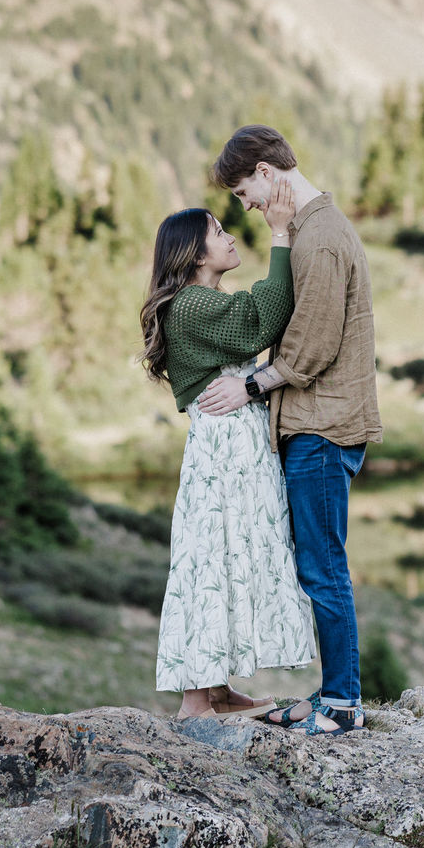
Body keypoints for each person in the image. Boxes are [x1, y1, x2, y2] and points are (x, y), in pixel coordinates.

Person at [195, 124, 382, 735]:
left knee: (324, 567)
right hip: (313, 424)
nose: (243, 205)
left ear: (268, 173)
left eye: (245, 189)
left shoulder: (320, 239)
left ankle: (343, 705)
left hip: (324, 428)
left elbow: (312, 346)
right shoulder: (306, 233)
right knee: (316, 565)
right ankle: (331, 695)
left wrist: (248, 385)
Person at [136, 185, 315, 720]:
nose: (229, 235)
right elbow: (264, 316)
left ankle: (214, 690)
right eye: (218, 231)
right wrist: (280, 233)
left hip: (230, 447)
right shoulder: (191, 306)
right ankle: (197, 701)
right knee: (214, 558)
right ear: (193, 254)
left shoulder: (194, 304)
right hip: (224, 452)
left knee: (224, 557)